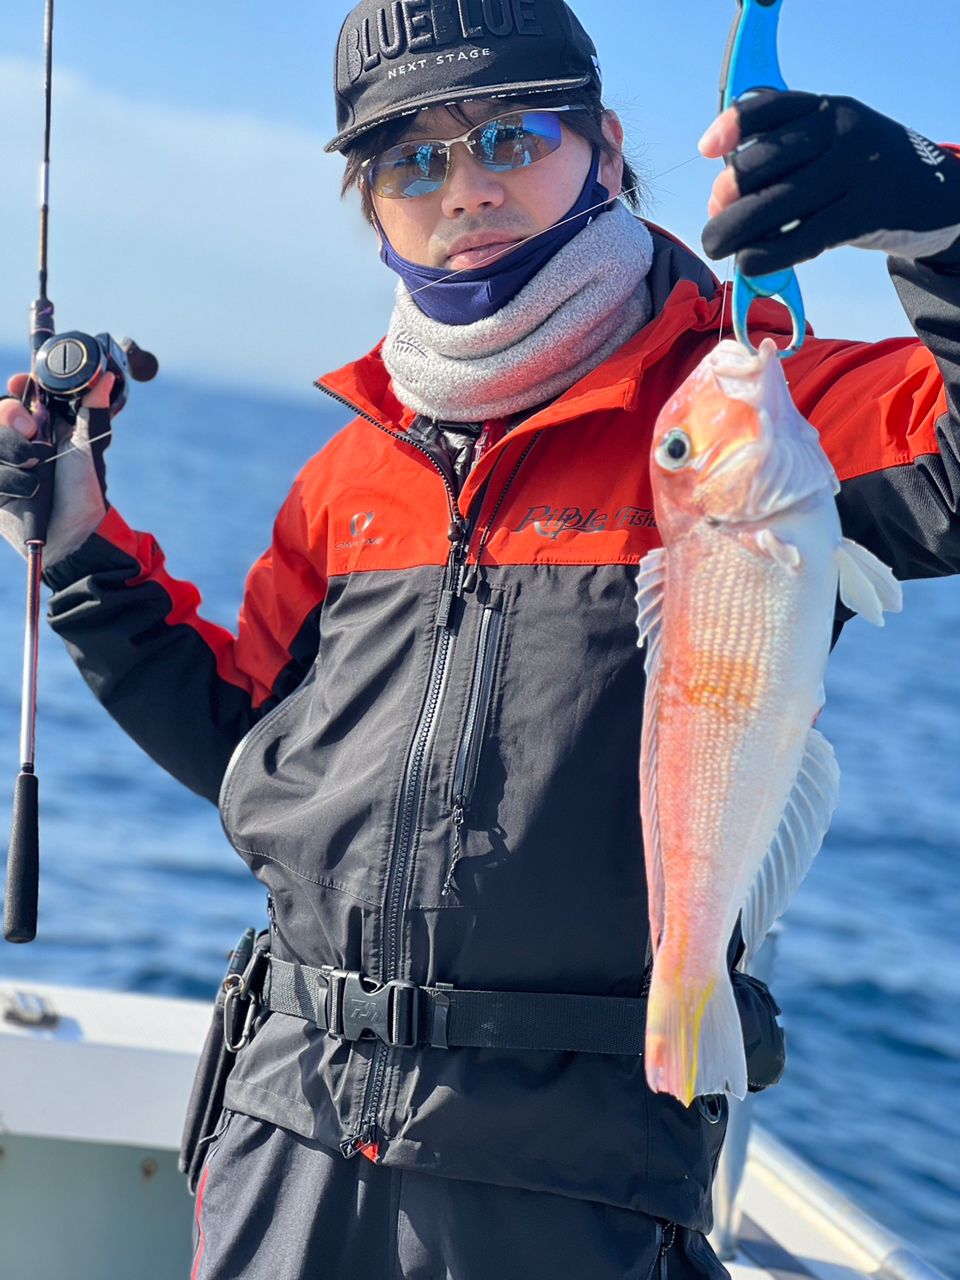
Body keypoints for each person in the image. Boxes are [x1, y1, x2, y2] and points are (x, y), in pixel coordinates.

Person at [2, 2, 959, 1276]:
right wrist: (75, 549)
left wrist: (941, 222)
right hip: (283, 1134)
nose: (465, 187)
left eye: (511, 134)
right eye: (413, 160)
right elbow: (250, 747)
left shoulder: (750, 405)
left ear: (607, 148)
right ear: (371, 205)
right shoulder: (348, 472)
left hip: (571, 1175)